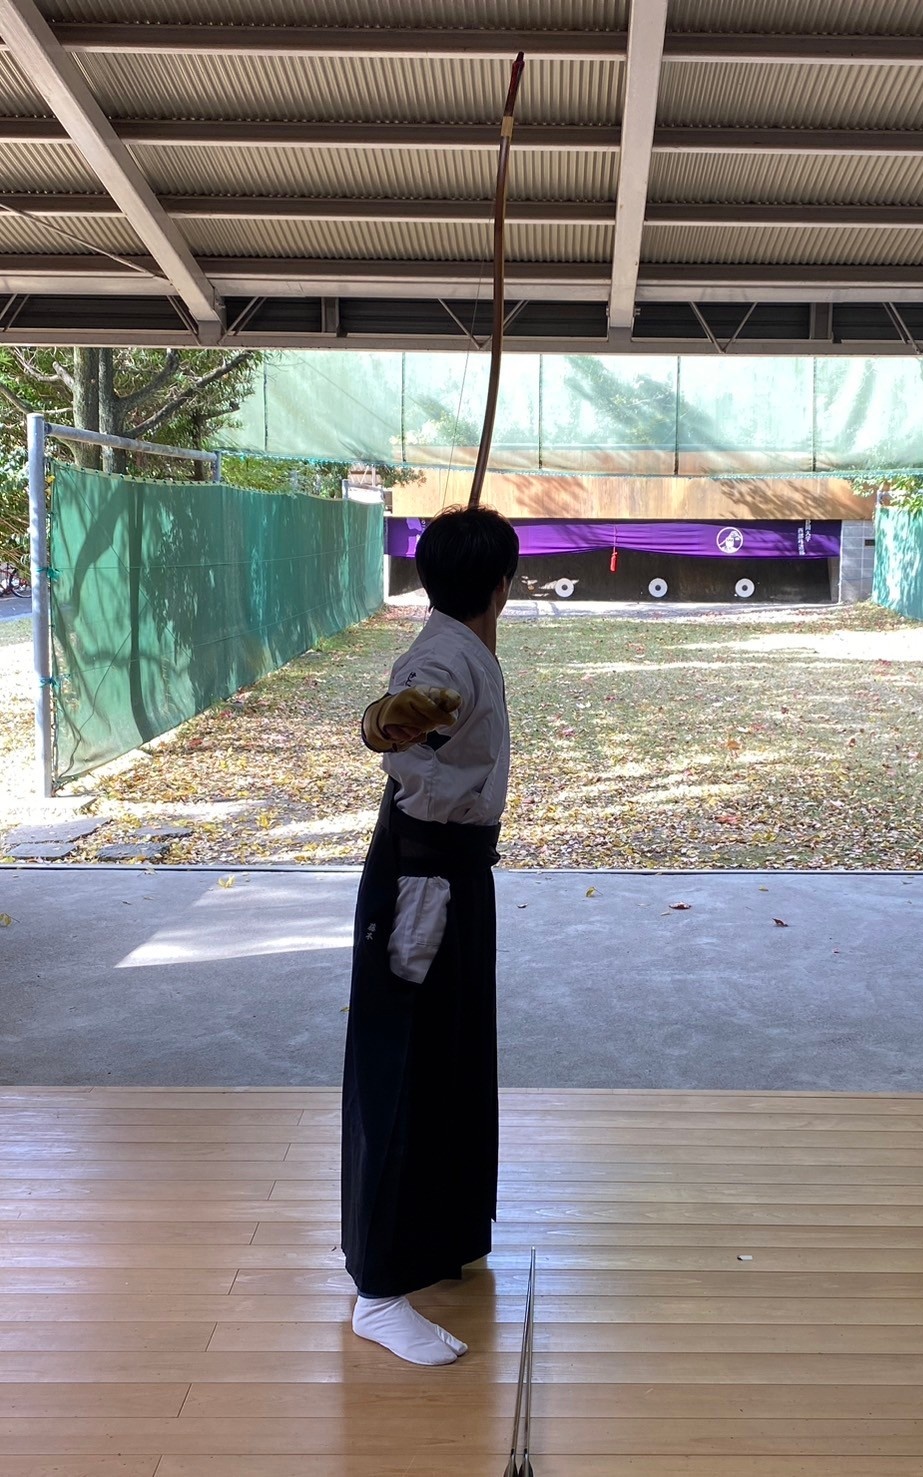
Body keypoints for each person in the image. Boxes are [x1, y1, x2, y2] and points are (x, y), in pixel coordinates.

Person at [341, 504, 518, 1366]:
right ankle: (378, 1291)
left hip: (455, 874)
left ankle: (444, 1233)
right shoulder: (444, 658)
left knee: (450, 1058)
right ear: (503, 585)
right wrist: (402, 714)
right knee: (402, 1068)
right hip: (422, 883)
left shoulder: (460, 639)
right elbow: (393, 717)